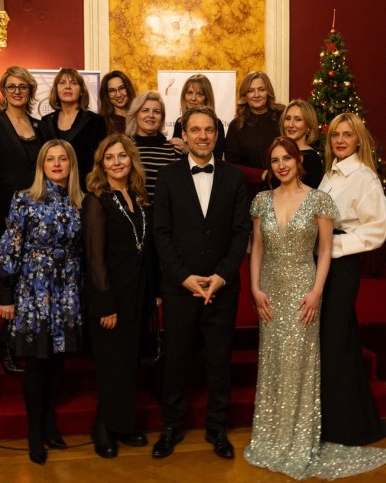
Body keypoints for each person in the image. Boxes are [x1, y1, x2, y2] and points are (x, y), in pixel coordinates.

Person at [244, 136, 386, 479]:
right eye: (275, 160)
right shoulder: (261, 201)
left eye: (287, 158)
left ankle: (299, 437)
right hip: (270, 291)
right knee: (274, 361)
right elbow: (257, 249)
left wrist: (316, 292)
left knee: (300, 362)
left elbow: (326, 251)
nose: (281, 165)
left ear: (299, 161)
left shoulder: (319, 200)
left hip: (304, 290)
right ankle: (272, 434)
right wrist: (255, 288)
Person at [152, 106, 250, 460]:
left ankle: (217, 427)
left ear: (216, 135)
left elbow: (241, 232)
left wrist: (222, 276)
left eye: (209, 130)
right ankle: (171, 425)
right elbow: (161, 234)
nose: (203, 136)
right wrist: (184, 277)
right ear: (185, 135)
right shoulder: (168, 177)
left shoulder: (234, 177)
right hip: (180, 287)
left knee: (219, 360)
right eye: (195, 130)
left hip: (223, 287)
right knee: (175, 359)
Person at [0, 140, 84, 465]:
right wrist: (6, 294)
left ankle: (49, 425)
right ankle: (34, 431)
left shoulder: (80, 202)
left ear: (71, 164)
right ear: (41, 165)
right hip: (35, 289)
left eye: (62, 159)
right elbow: (9, 247)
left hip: (68, 289)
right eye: (50, 159)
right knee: (38, 361)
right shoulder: (25, 199)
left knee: (58, 361)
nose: (56, 164)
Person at [318, 112, 386, 445]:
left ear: (359, 139)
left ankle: (346, 426)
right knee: (338, 340)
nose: (341, 140)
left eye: (347, 135)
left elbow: (376, 232)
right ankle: (344, 420)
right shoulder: (330, 174)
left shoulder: (364, 178)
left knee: (335, 341)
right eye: (335, 135)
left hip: (342, 265)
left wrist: (334, 246)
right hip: (323, 263)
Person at [83, 134, 155, 459]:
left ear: (131, 160)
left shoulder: (138, 197)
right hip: (111, 296)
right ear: (102, 164)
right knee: (111, 365)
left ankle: (123, 424)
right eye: (109, 157)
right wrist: (105, 304)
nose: (116, 162)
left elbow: (146, 249)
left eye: (122, 156)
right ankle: (103, 427)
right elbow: (95, 258)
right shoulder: (96, 200)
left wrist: (153, 293)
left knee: (128, 363)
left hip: (137, 293)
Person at [0, 66, 52, 374]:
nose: (17, 91)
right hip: (7, 212)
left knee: (33, 277)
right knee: (10, 277)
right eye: (11, 87)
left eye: (23, 86)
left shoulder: (41, 126)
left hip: (40, 212)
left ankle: (27, 339)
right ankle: (5, 343)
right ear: (4, 92)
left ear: (30, 91)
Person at [42, 67, 107, 191]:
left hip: (86, 188)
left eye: (73, 83)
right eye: (62, 83)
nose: (67, 87)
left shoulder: (96, 121)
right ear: (56, 90)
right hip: (52, 189)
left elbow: (102, 159)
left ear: (81, 91)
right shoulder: (45, 121)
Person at [225, 71, 284, 202]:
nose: (256, 95)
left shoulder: (282, 117)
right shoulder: (236, 125)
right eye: (251, 91)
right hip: (249, 194)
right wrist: (262, 175)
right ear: (245, 95)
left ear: (268, 92)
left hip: (283, 189)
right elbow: (231, 165)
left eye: (261, 89)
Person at [125, 90, 182, 199]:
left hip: (166, 209)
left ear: (162, 118)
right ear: (135, 114)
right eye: (145, 110)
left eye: (156, 112)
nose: (150, 115)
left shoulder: (175, 151)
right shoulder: (125, 148)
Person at [168, 74, 226, 161]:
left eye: (199, 94)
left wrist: (187, 149)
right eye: (189, 93)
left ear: (207, 98)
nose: (193, 98)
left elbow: (217, 158)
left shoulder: (217, 123)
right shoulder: (179, 122)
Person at [278, 99, 324, 189]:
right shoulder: (277, 152)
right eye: (287, 118)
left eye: (298, 119)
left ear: (308, 126)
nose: (290, 125)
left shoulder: (312, 159)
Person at [99, 70, 137, 135]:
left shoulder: (140, 115)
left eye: (122, 88)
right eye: (112, 91)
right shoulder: (102, 122)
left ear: (128, 89)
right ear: (107, 95)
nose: (118, 95)